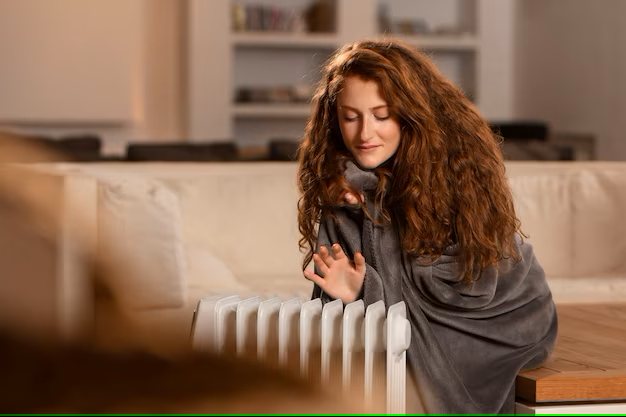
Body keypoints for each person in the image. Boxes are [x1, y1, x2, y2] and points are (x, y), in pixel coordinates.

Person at [296, 39, 558, 413]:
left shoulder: (459, 171)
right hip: (397, 329)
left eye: (382, 115)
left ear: (408, 113)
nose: (365, 133)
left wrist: (366, 288)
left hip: (497, 319)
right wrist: (352, 286)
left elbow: (475, 285)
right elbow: (332, 299)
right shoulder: (342, 190)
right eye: (351, 117)